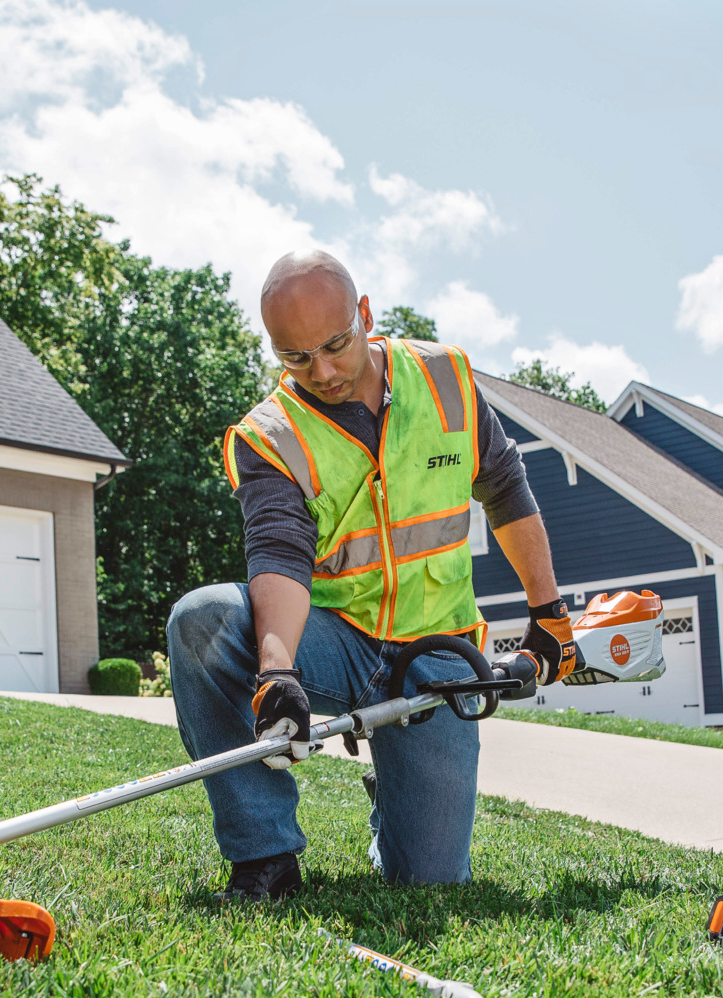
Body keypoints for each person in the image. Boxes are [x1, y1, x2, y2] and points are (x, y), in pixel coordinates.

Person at [166, 250, 577, 899]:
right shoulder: (271, 435)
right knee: (201, 622)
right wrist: (277, 672)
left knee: (432, 882)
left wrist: (549, 615)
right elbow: (279, 552)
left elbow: (505, 490)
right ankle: (264, 857)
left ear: (365, 314)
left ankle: (395, 792)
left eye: (335, 345)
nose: (322, 372)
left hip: (434, 651)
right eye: (297, 358)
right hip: (335, 641)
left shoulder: (445, 382)